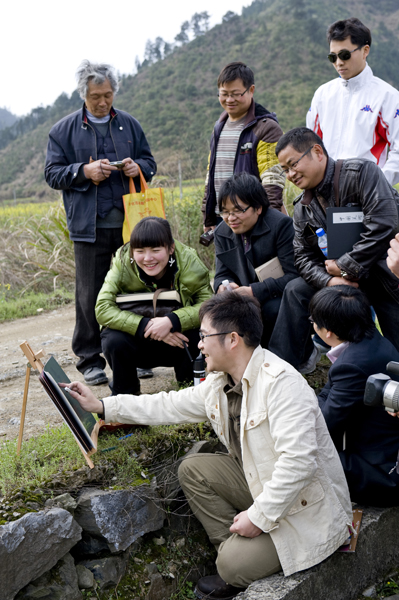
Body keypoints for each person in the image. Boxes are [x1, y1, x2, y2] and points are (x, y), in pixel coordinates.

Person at [65, 293, 353, 599]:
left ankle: (233, 562)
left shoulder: (282, 385)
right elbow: (168, 405)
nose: (199, 344)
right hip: (262, 483)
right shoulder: (221, 381)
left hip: (305, 509)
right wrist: (103, 405)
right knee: (194, 468)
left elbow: (299, 464)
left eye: (204, 336)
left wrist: (259, 517)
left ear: (232, 340)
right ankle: (233, 550)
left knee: (230, 566)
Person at [44, 60, 156, 386]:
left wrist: (140, 168)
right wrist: (83, 172)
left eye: (108, 95)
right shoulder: (63, 130)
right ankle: (90, 361)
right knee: (89, 294)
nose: (103, 102)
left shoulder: (129, 125)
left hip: (130, 225)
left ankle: (135, 355)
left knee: (133, 290)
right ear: (84, 95)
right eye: (96, 96)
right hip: (88, 226)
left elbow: (149, 160)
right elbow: (53, 173)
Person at [268, 127, 399, 373]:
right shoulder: (302, 208)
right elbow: (303, 258)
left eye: (293, 164)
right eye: (284, 170)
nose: (290, 175)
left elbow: (384, 224)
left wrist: (345, 266)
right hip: (338, 281)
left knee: (396, 350)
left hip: (384, 273)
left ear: (317, 151)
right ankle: (282, 371)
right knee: (296, 290)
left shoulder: (362, 173)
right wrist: (330, 281)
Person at [95, 216, 213, 395]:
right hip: (137, 340)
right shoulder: (123, 260)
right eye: (140, 251)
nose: (147, 258)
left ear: (171, 248)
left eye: (156, 250)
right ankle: (125, 395)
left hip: (178, 339)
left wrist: (172, 321)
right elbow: (103, 308)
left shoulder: (188, 260)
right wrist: (147, 325)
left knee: (199, 333)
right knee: (113, 339)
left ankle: (190, 389)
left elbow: (209, 305)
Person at [309, 286, 399, 506]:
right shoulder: (373, 339)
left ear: (327, 332)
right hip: (386, 451)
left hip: (383, 473)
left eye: (313, 320)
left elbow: (325, 427)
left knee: (302, 459)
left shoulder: (352, 365)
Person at [307, 17, 399, 186]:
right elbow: (311, 145)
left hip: (368, 196)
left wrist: (378, 184)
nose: (339, 63)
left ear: (365, 51)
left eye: (345, 55)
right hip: (325, 193)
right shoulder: (322, 94)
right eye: (332, 57)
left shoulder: (388, 97)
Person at [214, 173, 297, 346]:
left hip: (276, 294)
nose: (230, 218)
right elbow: (221, 273)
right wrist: (223, 286)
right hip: (241, 297)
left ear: (258, 207)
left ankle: (297, 353)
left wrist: (253, 291)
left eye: (238, 210)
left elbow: (294, 275)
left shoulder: (281, 225)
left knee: (271, 309)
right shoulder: (222, 232)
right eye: (225, 211)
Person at [202, 61, 286, 232]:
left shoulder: (265, 127)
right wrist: (208, 216)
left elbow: (273, 181)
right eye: (224, 94)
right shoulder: (219, 127)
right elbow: (210, 177)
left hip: (252, 219)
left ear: (251, 90)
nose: (229, 100)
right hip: (223, 219)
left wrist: (268, 224)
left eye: (236, 94)